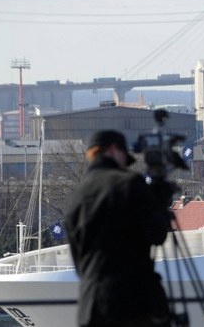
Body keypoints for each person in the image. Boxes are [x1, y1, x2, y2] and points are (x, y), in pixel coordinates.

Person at [64, 130, 172, 327]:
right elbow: (157, 234)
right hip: (134, 303)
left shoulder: (75, 197)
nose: (125, 164)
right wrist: (159, 205)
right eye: (124, 157)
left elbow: (79, 262)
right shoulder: (129, 184)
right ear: (113, 150)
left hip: (92, 306)